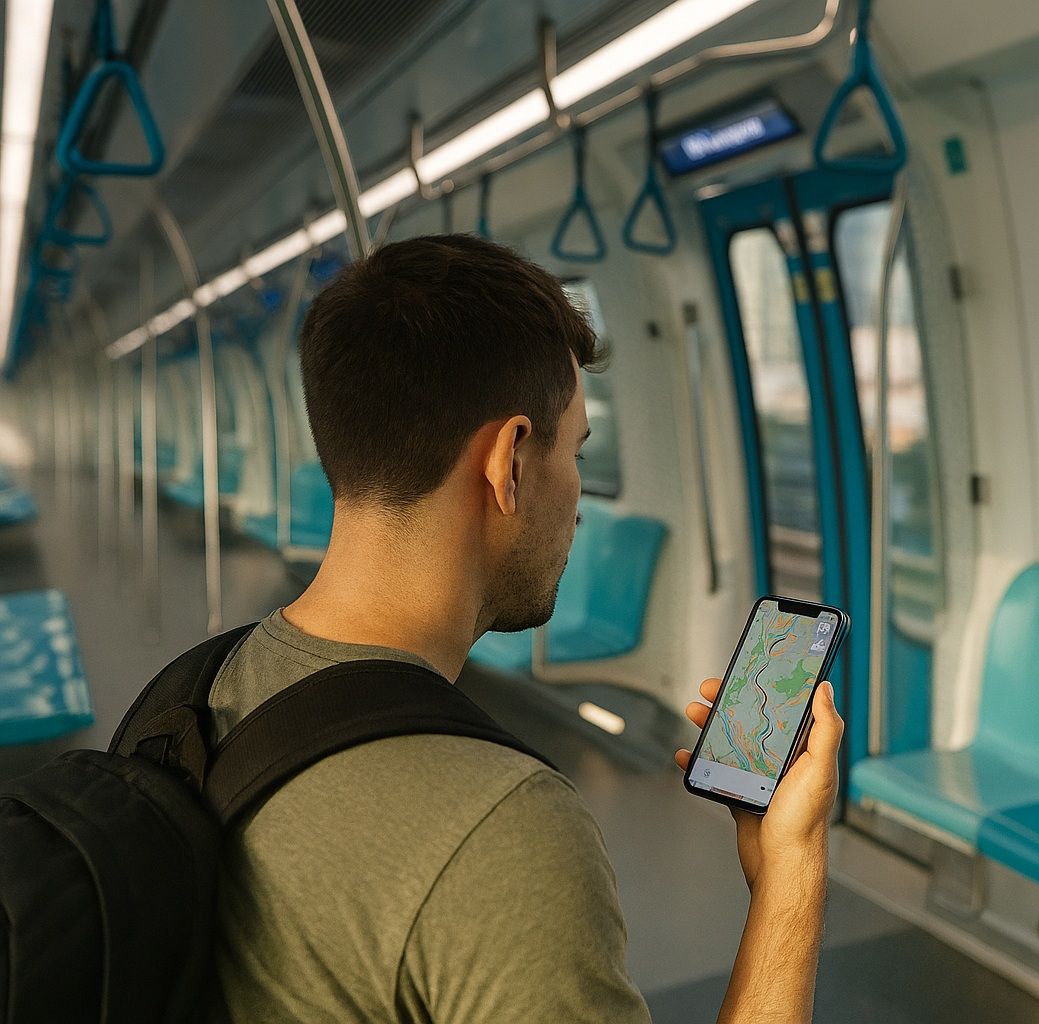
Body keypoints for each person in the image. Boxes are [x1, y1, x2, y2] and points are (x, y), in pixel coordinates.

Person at [205, 234, 844, 1023]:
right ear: (508, 461)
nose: (577, 499)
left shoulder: (199, 690)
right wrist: (793, 872)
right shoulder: (502, 833)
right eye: (575, 451)